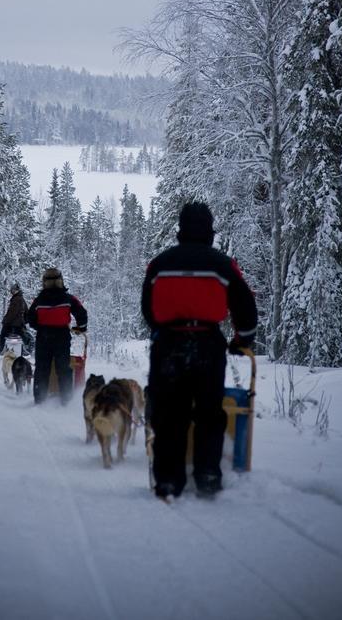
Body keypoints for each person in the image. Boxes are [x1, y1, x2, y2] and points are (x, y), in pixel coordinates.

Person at [141, 202, 257, 500]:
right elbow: (244, 303)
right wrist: (243, 338)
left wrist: (163, 329)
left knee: (168, 412)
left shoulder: (159, 264)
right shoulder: (222, 264)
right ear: (209, 230)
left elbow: (148, 309)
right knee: (208, 412)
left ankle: (168, 480)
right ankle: (207, 474)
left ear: (180, 229)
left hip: (168, 344)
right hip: (208, 343)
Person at [26, 268, 87, 405]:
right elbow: (82, 313)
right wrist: (80, 327)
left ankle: (40, 400)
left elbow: (30, 318)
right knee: (63, 368)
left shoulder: (38, 300)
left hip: (43, 337)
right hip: (62, 336)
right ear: (60, 280)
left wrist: (40, 327)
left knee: (42, 368)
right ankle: (66, 400)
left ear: (44, 282)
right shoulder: (68, 298)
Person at [0, 282, 32, 356]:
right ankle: (28, 349)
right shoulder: (21, 299)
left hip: (12, 324)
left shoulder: (16, 299)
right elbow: (26, 312)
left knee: (3, 335)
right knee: (25, 335)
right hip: (19, 324)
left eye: (14, 290)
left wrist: (5, 321)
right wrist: (25, 321)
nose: (12, 291)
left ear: (17, 290)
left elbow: (12, 313)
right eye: (12, 290)